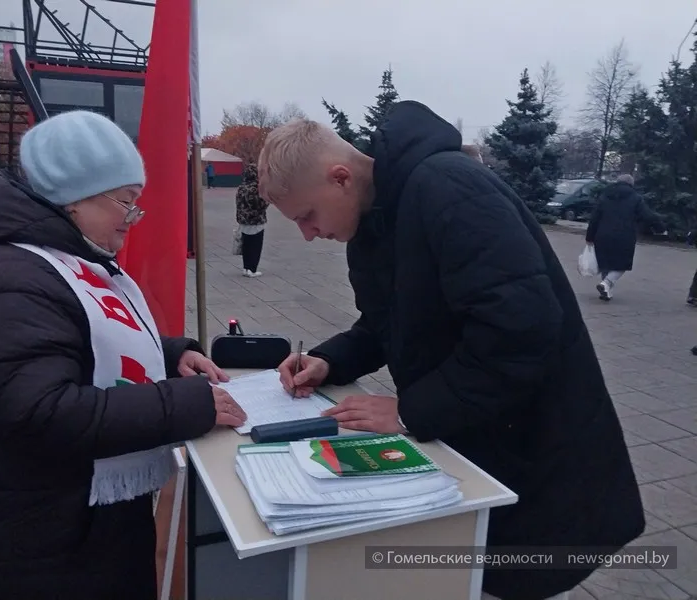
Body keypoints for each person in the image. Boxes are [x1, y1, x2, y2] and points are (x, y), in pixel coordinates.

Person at [257, 101, 644, 600]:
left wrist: (409, 411)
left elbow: (520, 332)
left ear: (340, 178)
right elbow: (386, 324)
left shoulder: (449, 188)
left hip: (534, 453)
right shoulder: (372, 225)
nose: (308, 235)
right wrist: (330, 360)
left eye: (307, 217)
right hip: (475, 441)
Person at [0, 110, 246, 600]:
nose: (132, 220)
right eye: (125, 202)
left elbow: (77, 344)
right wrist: (186, 405)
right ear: (74, 197)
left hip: (66, 522)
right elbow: (41, 411)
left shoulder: (47, 263)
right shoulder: (9, 280)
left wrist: (170, 357)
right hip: (33, 545)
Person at [585, 173, 665, 301]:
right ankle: (606, 283)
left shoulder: (605, 195)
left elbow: (594, 218)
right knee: (621, 264)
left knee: (606, 263)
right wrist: (659, 227)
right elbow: (647, 215)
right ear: (631, 184)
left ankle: (606, 291)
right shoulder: (635, 198)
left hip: (602, 235)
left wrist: (589, 236)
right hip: (624, 236)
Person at [235, 163, 268, 277]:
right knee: (255, 245)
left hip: (243, 220)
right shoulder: (256, 188)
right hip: (256, 221)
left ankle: (246, 267)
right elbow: (260, 204)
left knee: (246, 245)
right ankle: (252, 269)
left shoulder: (241, 187)